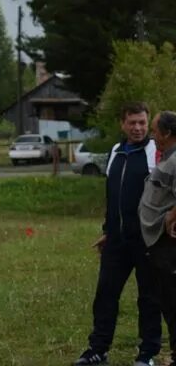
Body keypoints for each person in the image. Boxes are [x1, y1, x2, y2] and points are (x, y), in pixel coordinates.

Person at [75, 103, 162, 366]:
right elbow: (113, 196)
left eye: (142, 123)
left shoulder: (156, 151)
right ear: (122, 124)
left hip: (147, 240)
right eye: (132, 123)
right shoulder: (115, 151)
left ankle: (147, 354)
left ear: (148, 125)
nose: (137, 128)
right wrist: (107, 230)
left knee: (148, 298)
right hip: (116, 240)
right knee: (105, 294)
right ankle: (98, 349)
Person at [139, 110, 176, 366]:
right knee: (166, 300)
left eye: (154, 130)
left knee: (174, 303)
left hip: (169, 246)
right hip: (157, 244)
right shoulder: (166, 157)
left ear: (167, 133)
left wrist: (172, 215)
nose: (153, 134)